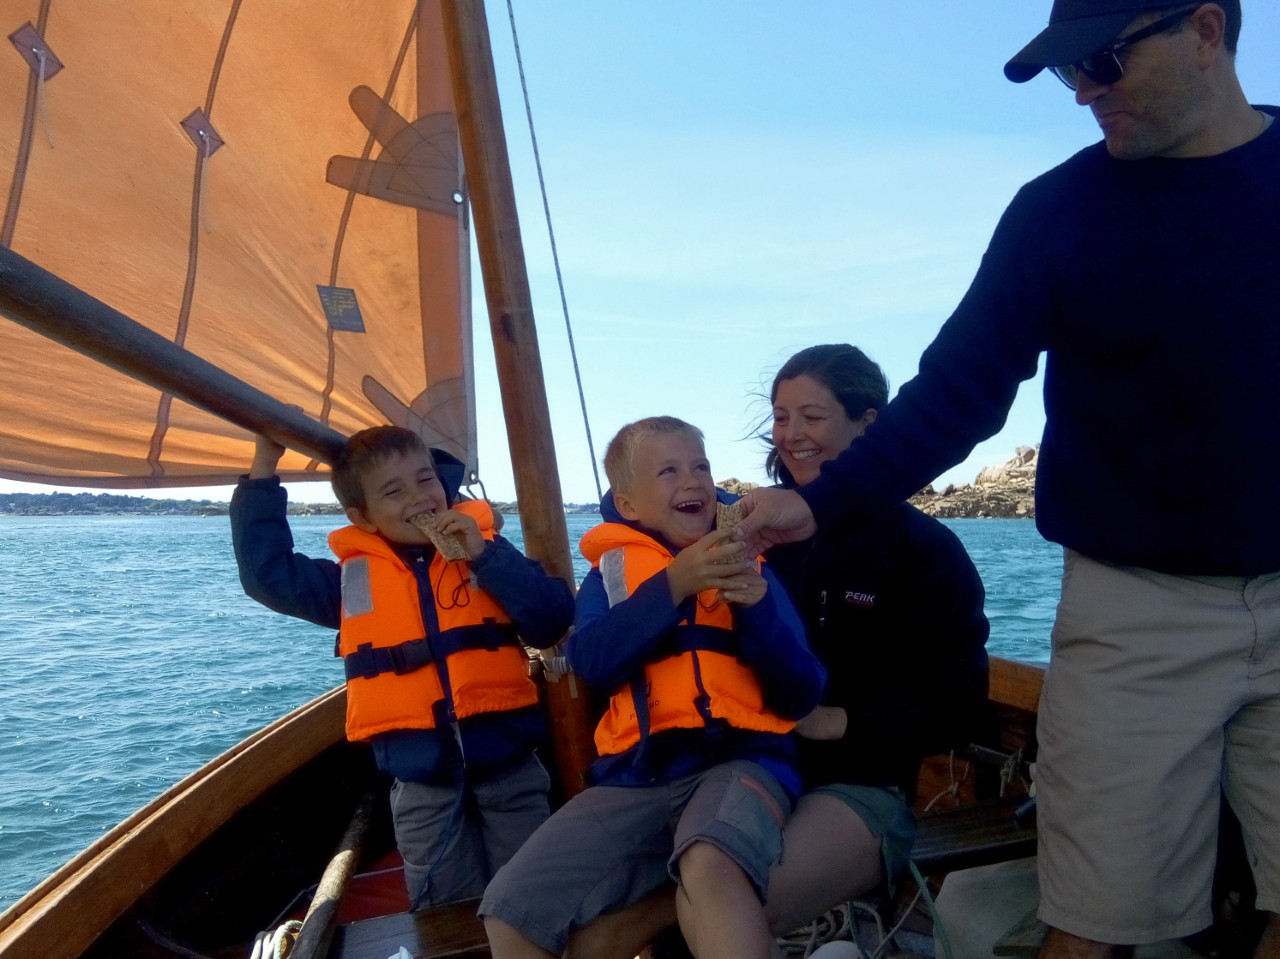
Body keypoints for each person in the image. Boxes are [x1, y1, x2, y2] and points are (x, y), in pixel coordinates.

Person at [733, 4, 1280, 958]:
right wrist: (815, 504)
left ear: (1206, 31)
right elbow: (957, 393)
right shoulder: (1055, 214)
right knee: (1094, 923)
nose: (1083, 93)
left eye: (1103, 62)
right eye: (1069, 73)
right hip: (1133, 607)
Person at [479, 416, 826, 959]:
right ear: (629, 503)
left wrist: (756, 611)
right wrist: (675, 585)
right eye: (668, 471)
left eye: (701, 467)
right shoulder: (607, 577)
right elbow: (590, 661)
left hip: (741, 760)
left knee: (710, 863)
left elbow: (800, 693)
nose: (693, 481)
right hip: (637, 779)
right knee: (510, 907)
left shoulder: (753, 565)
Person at [230, 426, 574, 909]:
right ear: (362, 518)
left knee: (535, 904)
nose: (420, 498)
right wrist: (264, 466)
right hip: (424, 790)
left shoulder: (486, 553)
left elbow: (551, 619)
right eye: (394, 491)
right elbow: (267, 574)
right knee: (444, 913)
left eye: (426, 480)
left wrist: (486, 555)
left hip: (511, 777)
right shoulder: (348, 583)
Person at [759, 344, 990, 938]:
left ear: (869, 425)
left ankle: (845, 923)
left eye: (812, 416)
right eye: (781, 417)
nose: (791, 434)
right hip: (748, 768)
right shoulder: (751, 541)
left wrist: (838, 721)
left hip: (860, 785)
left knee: (727, 900)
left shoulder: (923, 551)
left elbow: (959, 703)